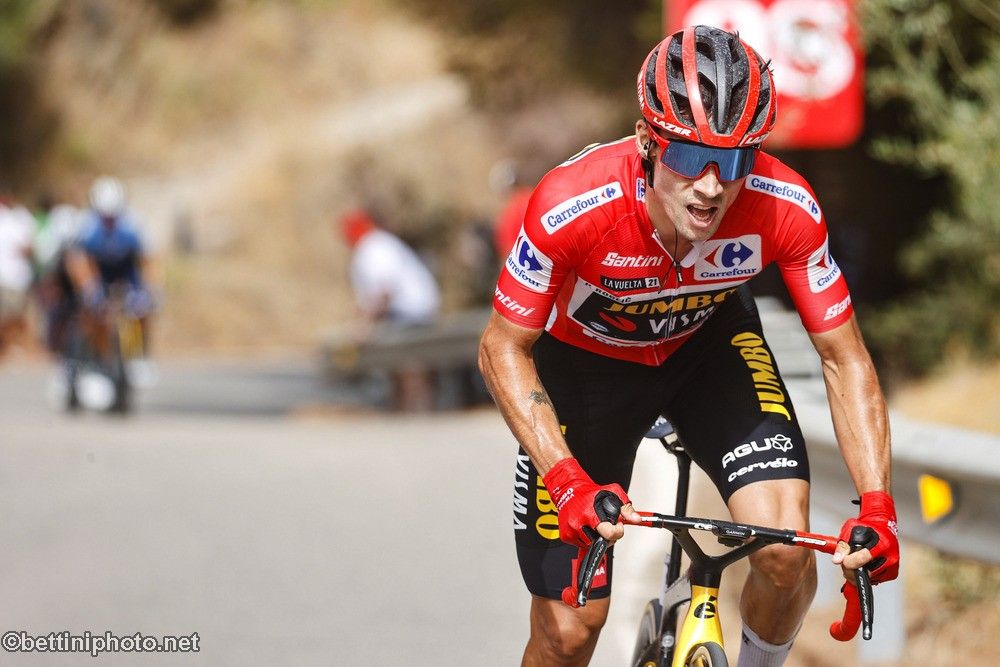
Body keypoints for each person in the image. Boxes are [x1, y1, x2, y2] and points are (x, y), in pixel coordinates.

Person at [478, 26, 898, 667]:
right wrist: (565, 481)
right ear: (649, 141)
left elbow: (845, 359)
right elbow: (502, 348)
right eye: (689, 158)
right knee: (569, 630)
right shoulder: (571, 204)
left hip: (707, 350)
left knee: (786, 551)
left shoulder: (786, 206)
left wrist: (878, 504)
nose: (711, 186)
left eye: (733, 162)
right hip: (585, 372)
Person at [338, 208, 442, 410]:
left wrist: (364, 326)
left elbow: (385, 292)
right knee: (397, 361)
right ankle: (404, 408)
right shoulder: (375, 244)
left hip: (410, 311)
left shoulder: (374, 247)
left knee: (404, 362)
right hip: (409, 309)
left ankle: (414, 409)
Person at [68, 176, 157, 383]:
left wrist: (151, 288)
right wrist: (89, 288)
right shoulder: (85, 224)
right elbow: (77, 261)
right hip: (97, 273)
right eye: (105, 217)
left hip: (127, 272)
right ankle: (97, 360)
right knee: (95, 315)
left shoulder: (134, 223)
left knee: (140, 311)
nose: (109, 221)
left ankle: (136, 357)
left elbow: (149, 259)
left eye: (113, 216)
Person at [0, 193, 36, 357]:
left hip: (11, 277)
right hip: (11, 277)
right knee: (11, 315)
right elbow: (26, 249)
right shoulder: (11, 221)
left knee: (12, 314)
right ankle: (9, 347)